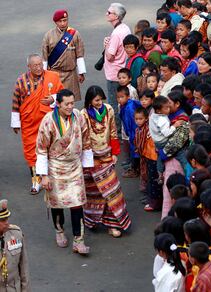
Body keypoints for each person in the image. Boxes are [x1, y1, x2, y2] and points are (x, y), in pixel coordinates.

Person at [36, 89, 93, 255]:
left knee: (77, 203)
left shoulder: (78, 116)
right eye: (66, 104)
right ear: (58, 104)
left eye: (72, 103)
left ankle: (79, 239)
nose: (70, 107)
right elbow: (41, 148)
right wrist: (44, 175)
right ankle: (59, 230)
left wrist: (86, 165)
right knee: (57, 203)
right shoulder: (48, 121)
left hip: (74, 166)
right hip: (56, 167)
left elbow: (86, 138)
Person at [81, 86, 131, 237]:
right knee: (93, 193)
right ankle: (92, 220)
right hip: (91, 159)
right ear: (90, 100)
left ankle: (112, 225)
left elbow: (113, 131)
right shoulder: (83, 115)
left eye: (101, 99)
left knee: (112, 192)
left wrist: (115, 152)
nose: (99, 102)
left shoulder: (108, 109)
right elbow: (84, 138)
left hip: (107, 157)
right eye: (96, 100)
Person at [11, 54, 64, 195]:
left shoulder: (52, 77)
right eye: (35, 65)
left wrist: (52, 99)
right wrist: (16, 123)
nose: (39, 67)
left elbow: (63, 95)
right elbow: (16, 102)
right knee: (31, 151)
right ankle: (36, 180)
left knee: (50, 147)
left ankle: (51, 175)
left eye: (41, 64)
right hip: (29, 122)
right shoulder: (21, 81)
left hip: (48, 121)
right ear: (29, 67)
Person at [42, 9, 86, 101]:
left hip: (71, 74)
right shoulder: (48, 36)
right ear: (55, 22)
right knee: (55, 102)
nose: (63, 23)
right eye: (60, 21)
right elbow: (45, 57)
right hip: (54, 74)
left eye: (65, 20)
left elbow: (79, 54)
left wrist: (81, 72)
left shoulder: (75, 34)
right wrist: (43, 75)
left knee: (70, 102)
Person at [103, 3, 131, 134]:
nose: (107, 14)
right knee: (122, 102)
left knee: (114, 104)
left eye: (109, 12)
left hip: (113, 73)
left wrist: (107, 45)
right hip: (122, 70)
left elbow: (109, 56)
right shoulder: (125, 28)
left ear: (116, 16)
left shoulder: (115, 34)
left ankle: (117, 131)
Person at [0, 200, 30, 291]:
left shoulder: (16, 234)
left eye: (7, 219)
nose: (7, 223)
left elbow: (24, 266)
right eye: (2, 220)